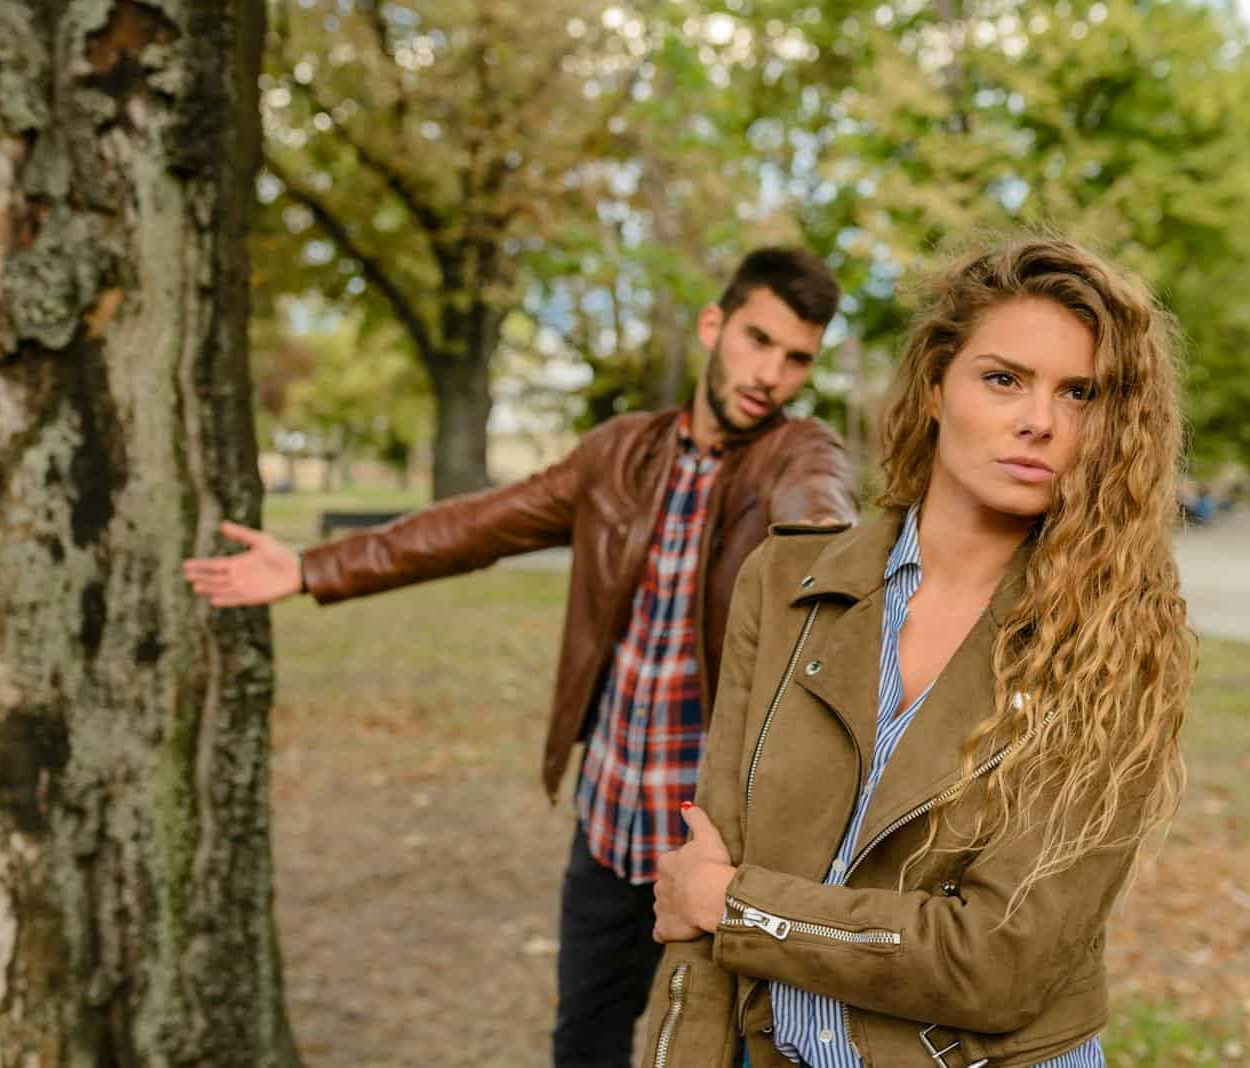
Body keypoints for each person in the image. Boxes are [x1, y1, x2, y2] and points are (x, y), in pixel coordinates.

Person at [181, 247, 860, 1068]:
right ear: (714, 326)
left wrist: (829, 559)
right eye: (758, 341)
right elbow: (476, 526)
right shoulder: (616, 453)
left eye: (796, 360)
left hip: (721, 845)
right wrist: (309, 568)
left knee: (733, 1052)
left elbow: (819, 526)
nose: (771, 375)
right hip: (610, 822)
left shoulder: (798, 454)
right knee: (585, 1040)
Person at [642, 238, 1194, 1068]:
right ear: (936, 387)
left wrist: (740, 908)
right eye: (1003, 378)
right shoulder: (783, 583)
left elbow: (993, 962)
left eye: (1079, 393)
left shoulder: (1122, 643)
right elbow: (698, 894)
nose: (1039, 421)